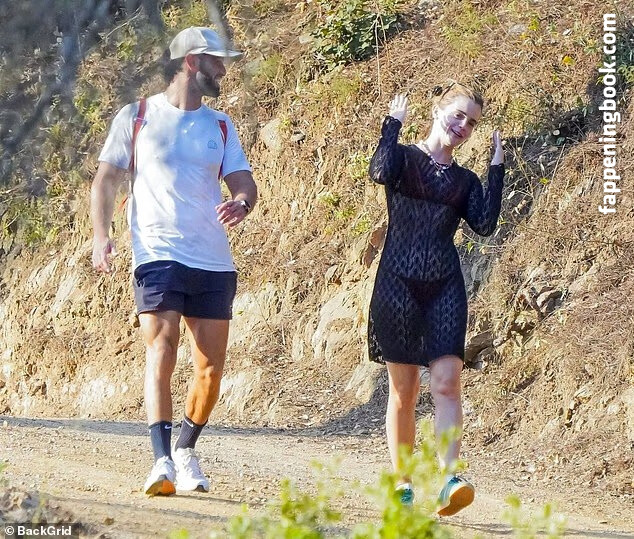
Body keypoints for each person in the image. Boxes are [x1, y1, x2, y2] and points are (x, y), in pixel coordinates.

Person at [90, 27, 257, 496]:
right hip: (157, 251)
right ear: (191, 62)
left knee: (211, 368)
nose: (223, 70)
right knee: (161, 345)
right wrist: (101, 235)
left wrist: (242, 203)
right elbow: (105, 181)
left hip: (212, 259)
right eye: (216, 61)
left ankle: (185, 449)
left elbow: (244, 182)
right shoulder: (137, 116)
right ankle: (160, 459)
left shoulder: (221, 125)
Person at [368, 83, 504, 515]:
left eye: (472, 122)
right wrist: (392, 125)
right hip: (397, 285)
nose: (463, 125)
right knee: (404, 392)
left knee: (447, 383)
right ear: (437, 109)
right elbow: (379, 171)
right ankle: (403, 484)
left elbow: (484, 224)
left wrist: (496, 170)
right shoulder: (405, 158)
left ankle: (450, 480)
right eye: (458, 114)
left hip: (444, 286)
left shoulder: (464, 181)